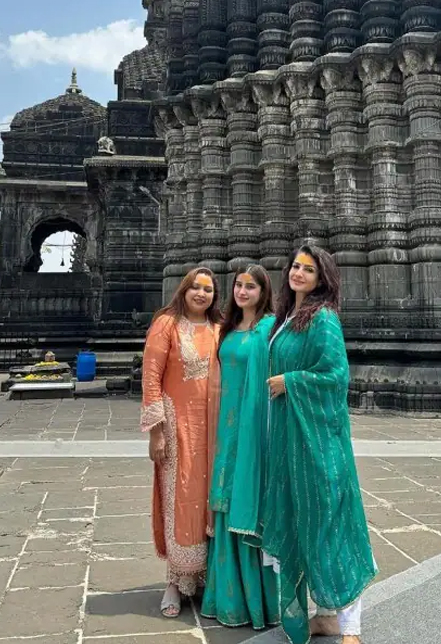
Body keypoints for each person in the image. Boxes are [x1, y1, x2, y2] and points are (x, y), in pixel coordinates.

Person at [263, 244, 377, 644]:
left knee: (330, 527)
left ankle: (351, 627)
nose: (298, 273)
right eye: (295, 266)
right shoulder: (287, 317)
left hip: (317, 444)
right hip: (289, 440)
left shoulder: (323, 318)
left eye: (308, 269)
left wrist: (289, 382)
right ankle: (324, 616)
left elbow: (335, 376)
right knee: (302, 524)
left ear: (321, 279)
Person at [202, 265, 281, 630]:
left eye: (251, 286)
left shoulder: (270, 329)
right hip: (224, 427)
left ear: (264, 292)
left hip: (254, 430)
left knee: (247, 500)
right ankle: (226, 598)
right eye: (238, 285)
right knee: (224, 500)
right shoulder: (226, 330)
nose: (243, 291)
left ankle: (258, 602)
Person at [140, 267, 222, 618]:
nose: (202, 294)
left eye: (209, 290)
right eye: (196, 288)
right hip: (177, 427)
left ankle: (204, 577)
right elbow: (151, 377)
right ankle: (174, 581)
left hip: (214, 429)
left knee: (208, 500)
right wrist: (157, 430)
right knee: (179, 499)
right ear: (184, 290)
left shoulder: (219, 329)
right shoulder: (166, 324)